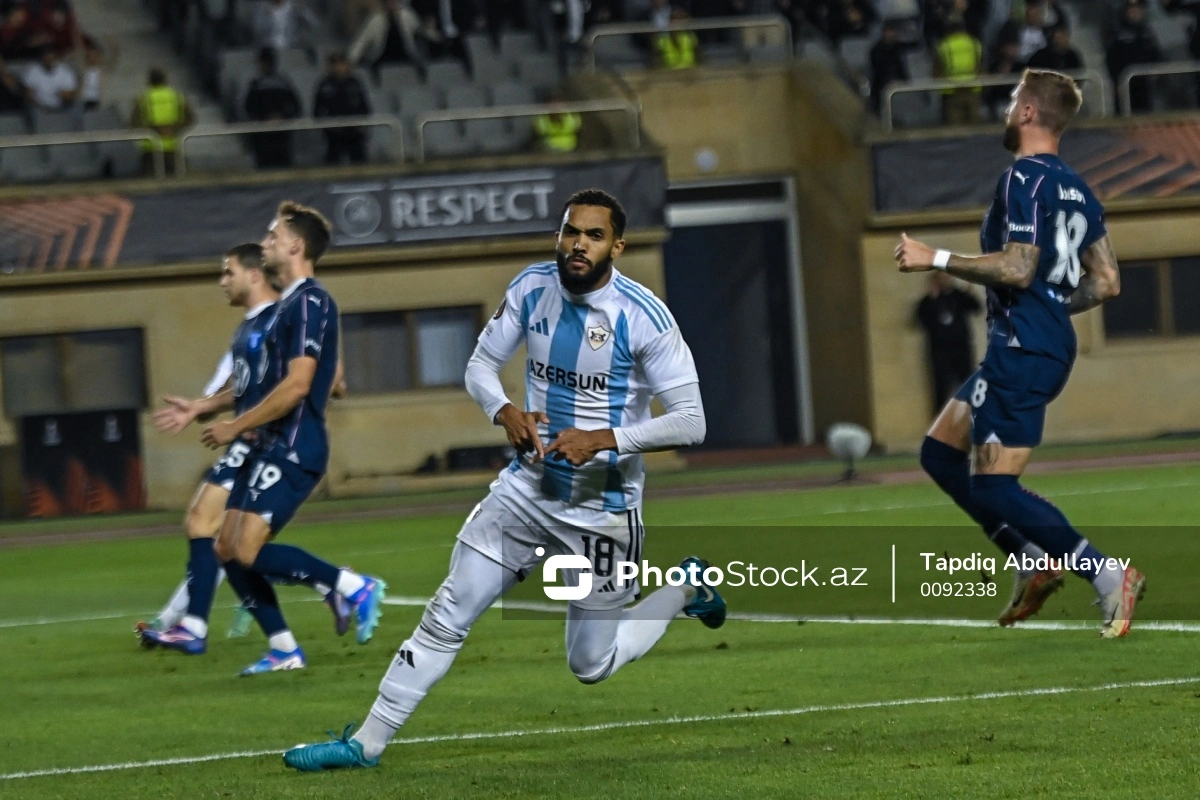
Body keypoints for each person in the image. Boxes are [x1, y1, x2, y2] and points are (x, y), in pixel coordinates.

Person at [282, 189, 722, 771]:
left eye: (593, 236)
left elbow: (692, 422)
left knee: (590, 666)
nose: (578, 244)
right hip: (525, 490)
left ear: (617, 245)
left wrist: (603, 439)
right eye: (570, 232)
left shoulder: (644, 317)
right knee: (449, 609)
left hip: (602, 509)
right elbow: (480, 367)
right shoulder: (530, 287)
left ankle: (684, 588)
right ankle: (365, 743)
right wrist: (503, 410)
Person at [895, 69, 1144, 637]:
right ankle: (1032, 561)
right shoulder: (1080, 189)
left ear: (1030, 112)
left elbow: (1017, 266)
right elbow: (1106, 281)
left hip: (1024, 347)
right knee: (939, 454)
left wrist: (934, 258)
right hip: (1033, 342)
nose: (1008, 109)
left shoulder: (1022, 178)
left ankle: (1107, 574)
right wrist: (1054, 308)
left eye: (1013, 101)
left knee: (994, 488)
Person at [142, 203, 387, 675]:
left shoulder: (312, 301)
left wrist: (235, 425)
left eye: (274, 236)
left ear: (295, 246)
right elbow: (258, 384)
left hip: (295, 445)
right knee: (225, 549)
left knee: (244, 548)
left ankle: (351, 586)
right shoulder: (282, 312)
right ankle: (283, 649)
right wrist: (205, 406)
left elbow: (297, 385)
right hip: (267, 445)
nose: (267, 242)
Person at [135, 243, 348, 644]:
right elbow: (245, 387)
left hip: (269, 441)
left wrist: (324, 382)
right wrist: (200, 407)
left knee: (218, 533)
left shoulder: (285, 313)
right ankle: (282, 630)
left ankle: (193, 624)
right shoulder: (249, 326)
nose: (222, 281)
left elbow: (323, 373)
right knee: (222, 539)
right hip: (251, 435)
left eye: (227, 272)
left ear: (253, 274)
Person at [915, 271, 981, 415]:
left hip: (961, 348)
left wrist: (969, 293)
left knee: (968, 384)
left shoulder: (959, 295)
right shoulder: (929, 300)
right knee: (941, 389)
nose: (946, 281)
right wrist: (932, 298)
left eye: (948, 278)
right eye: (942, 278)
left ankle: (973, 419)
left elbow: (976, 307)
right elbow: (920, 320)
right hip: (940, 351)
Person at [243, 47, 301, 169]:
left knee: (281, 165)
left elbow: (295, 106)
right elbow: (249, 108)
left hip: (281, 132)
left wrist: (282, 118)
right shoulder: (257, 84)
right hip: (262, 132)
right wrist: (264, 120)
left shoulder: (282, 82)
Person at [131, 67, 193, 176]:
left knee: (151, 186)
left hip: (151, 149)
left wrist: (153, 131)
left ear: (149, 80)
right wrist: (174, 129)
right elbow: (190, 118)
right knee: (179, 183)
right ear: (165, 79)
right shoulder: (176, 96)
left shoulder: (142, 98)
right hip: (172, 148)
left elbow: (134, 123)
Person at [313, 52, 371, 165]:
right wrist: (326, 127)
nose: (339, 67)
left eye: (342, 63)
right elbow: (317, 110)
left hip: (354, 131)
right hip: (334, 131)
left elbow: (364, 106)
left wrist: (362, 124)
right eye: (336, 64)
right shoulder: (325, 84)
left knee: (359, 161)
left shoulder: (355, 83)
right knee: (333, 162)